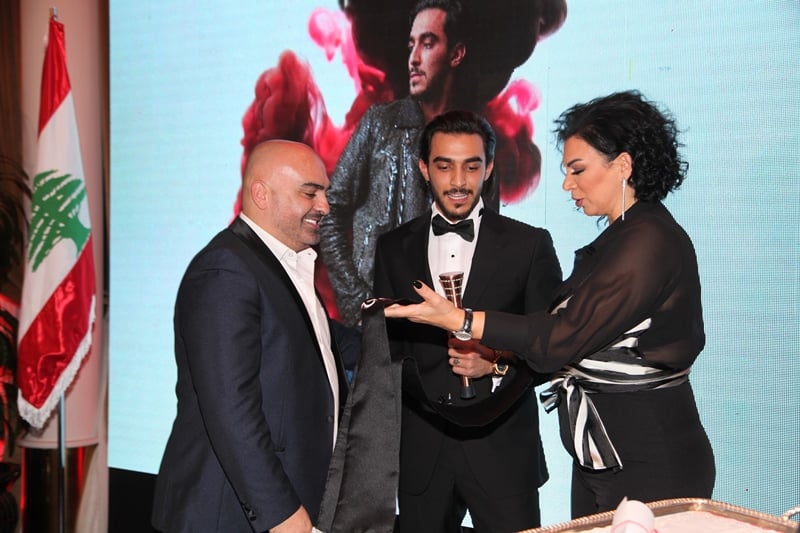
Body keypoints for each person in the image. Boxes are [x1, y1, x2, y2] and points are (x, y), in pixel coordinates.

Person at [383, 91, 716, 518]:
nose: (566, 184)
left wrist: (461, 320)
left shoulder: (648, 241)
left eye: (578, 170)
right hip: (601, 456)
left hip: (649, 458)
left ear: (623, 166)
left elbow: (556, 339)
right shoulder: (623, 237)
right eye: (565, 171)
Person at [373, 110, 561, 532]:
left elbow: (551, 346)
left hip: (504, 453)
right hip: (421, 455)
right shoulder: (392, 248)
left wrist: (496, 363)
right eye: (444, 166)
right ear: (424, 169)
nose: (458, 181)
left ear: (489, 168)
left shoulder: (529, 245)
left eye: (471, 166)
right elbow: (386, 352)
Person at [152, 140, 353, 533]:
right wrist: (283, 515)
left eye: (325, 193)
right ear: (261, 194)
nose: (325, 206)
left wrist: (410, 330)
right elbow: (231, 410)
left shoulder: (278, 264)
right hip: (230, 517)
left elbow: (327, 342)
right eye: (310, 193)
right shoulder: (225, 270)